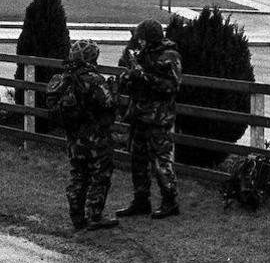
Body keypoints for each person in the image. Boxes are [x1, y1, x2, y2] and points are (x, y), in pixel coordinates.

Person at [46, 39, 119, 231]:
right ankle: (94, 216)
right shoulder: (93, 79)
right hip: (95, 138)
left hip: (73, 138)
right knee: (99, 175)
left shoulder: (64, 78)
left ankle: (77, 216)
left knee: (78, 174)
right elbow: (109, 103)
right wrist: (114, 90)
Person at [114, 19, 183, 220]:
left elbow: (171, 86)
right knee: (138, 159)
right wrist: (128, 76)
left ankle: (170, 201)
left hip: (159, 118)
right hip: (140, 115)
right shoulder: (143, 55)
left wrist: (141, 75)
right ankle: (141, 200)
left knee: (162, 161)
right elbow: (131, 79)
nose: (139, 43)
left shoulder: (170, 56)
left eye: (142, 39)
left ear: (150, 38)